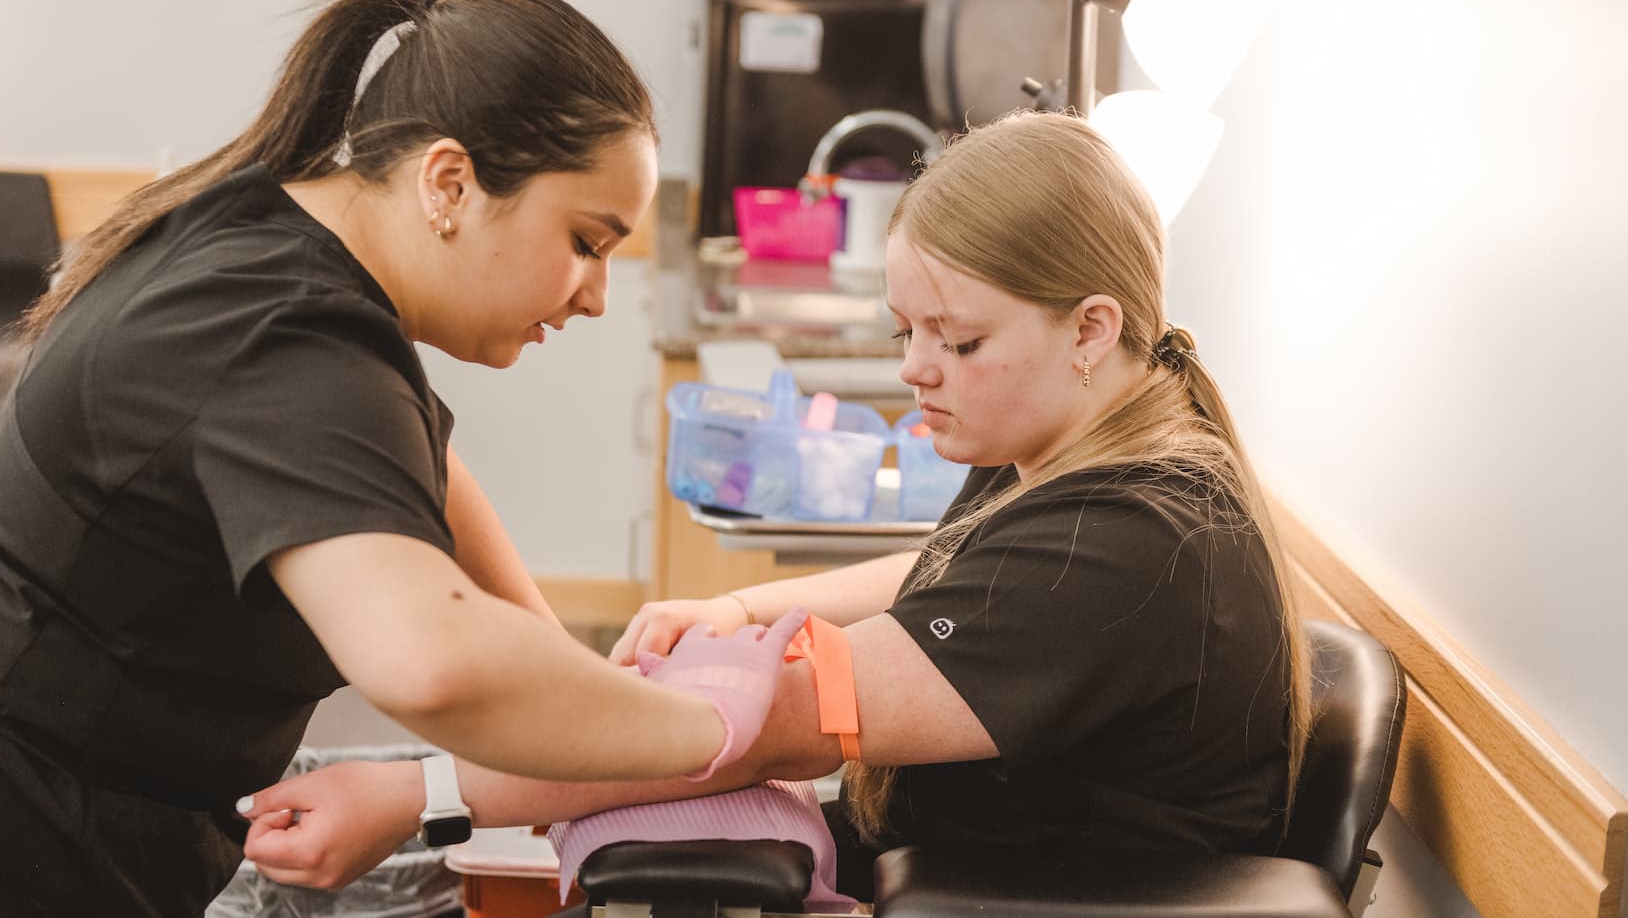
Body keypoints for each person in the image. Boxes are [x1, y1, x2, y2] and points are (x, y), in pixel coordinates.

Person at [235, 110, 1314, 903]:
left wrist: (416, 794)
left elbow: (744, 730)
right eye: (906, 331)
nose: (918, 369)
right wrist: (749, 614)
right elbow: (956, 582)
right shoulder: (1087, 438)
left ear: (1088, 326)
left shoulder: (1125, 544)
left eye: (958, 338)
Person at [0, 0, 807, 916]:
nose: (595, 293)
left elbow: (407, 469)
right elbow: (431, 660)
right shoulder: (281, 333)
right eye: (587, 242)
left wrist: (589, 695)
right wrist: (721, 727)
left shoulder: (279, 247)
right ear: (450, 183)